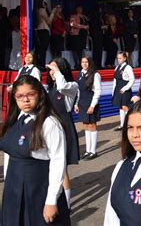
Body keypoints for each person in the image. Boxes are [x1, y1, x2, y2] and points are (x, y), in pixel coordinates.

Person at [0, 75, 70, 224]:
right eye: (20, 96)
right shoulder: (13, 120)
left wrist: (51, 200)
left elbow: (58, 161)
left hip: (38, 188)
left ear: (39, 94)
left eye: (30, 94)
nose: (25, 100)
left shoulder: (49, 123)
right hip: (13, 185)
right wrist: (8, 181)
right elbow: (9, 154)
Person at [46, 58, 80, 210]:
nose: (52, 72)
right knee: (50, 166)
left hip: (63, 127)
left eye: (55, 69)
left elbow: (63, 86)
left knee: (62, 167)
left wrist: (58, 72)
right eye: (51, 70)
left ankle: (66, 205)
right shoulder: (50, 88)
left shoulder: (71, 86)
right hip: (50, 127)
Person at [75, 56, 101, 160]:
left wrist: (92, 105)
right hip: (82, 103)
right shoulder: (80, 74)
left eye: (86, 62)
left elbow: (98, 91)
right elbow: (78, 91)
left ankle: (93, 151)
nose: (84, 64)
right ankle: (88, 150)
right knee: (86, 126)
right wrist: (76, 104)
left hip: (90, 102)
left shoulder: (95, 74)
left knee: (92, 126)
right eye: (83, 62)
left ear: (90, 63)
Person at [112, 52, 135, 131]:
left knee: (125, 107)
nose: (119, 60)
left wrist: (125, 88)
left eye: (120, 58)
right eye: (118, 58)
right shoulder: (117, 67)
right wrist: (113, 91)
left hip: (125, 90)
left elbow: (132, 79)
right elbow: (115, 80)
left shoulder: (128, 67)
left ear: (125, 58)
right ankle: (122, 124)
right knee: (121, 107)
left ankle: (130, 124)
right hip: (118, 89)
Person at [33, 0, 55, 69]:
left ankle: (38, 64)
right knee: (43, 50)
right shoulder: (42, 10)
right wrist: (52, 13)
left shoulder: (35, 10)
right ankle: (41, 65)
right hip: (43, 31)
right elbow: (49, 22)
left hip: (37, 31)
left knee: (38, 49)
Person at [69, 5, 89, 70]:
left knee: (81, 50)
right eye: (78, 8)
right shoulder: (73, 16)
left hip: (83, 35)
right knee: (76, 50)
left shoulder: (84, 16)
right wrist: (83, 26)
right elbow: (72, 24)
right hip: (76, 34)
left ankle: (82, 64)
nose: (80, 9)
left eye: (81, 8)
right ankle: (77, 64)